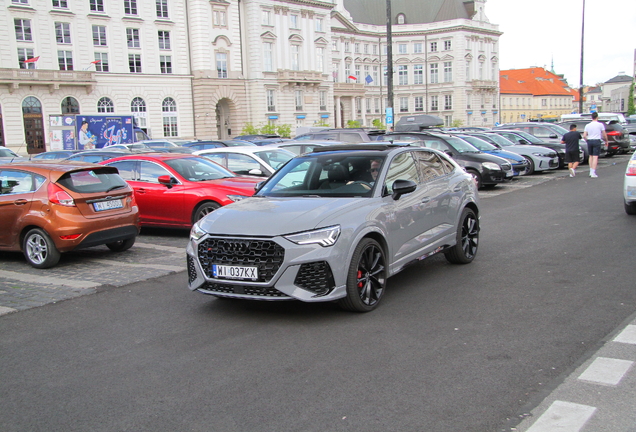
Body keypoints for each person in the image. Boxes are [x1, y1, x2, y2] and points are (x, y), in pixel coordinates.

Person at [583, 112, 608, 178]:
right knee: (595, 156)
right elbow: (604, 134)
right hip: (597, 140)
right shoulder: (600, 125)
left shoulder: (587, 125)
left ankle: (591, 170)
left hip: (590, 140)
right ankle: (593, 172)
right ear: (597, 117)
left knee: (590, 156)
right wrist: (606, 140)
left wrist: (587, 140)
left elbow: (584, 135)